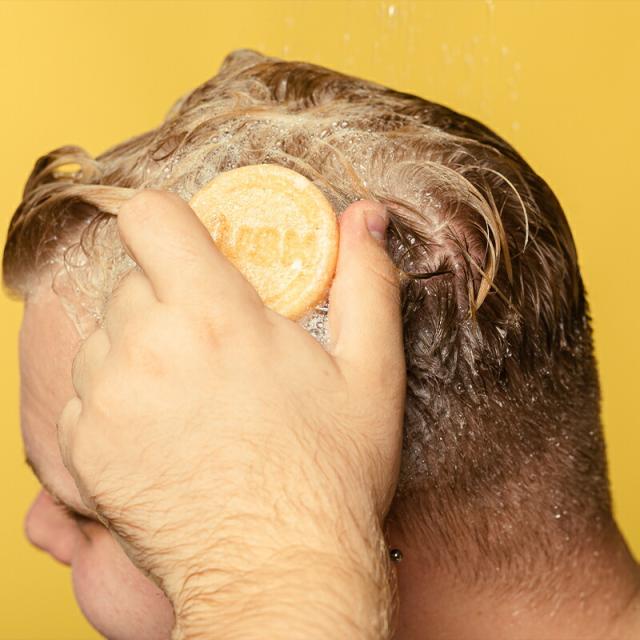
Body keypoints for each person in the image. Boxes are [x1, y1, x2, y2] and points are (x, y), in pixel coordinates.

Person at [3, 48, 639, 639]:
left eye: (91, 511)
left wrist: (272, 573)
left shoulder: (298, 554)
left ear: (350, 529)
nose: (38, 530)